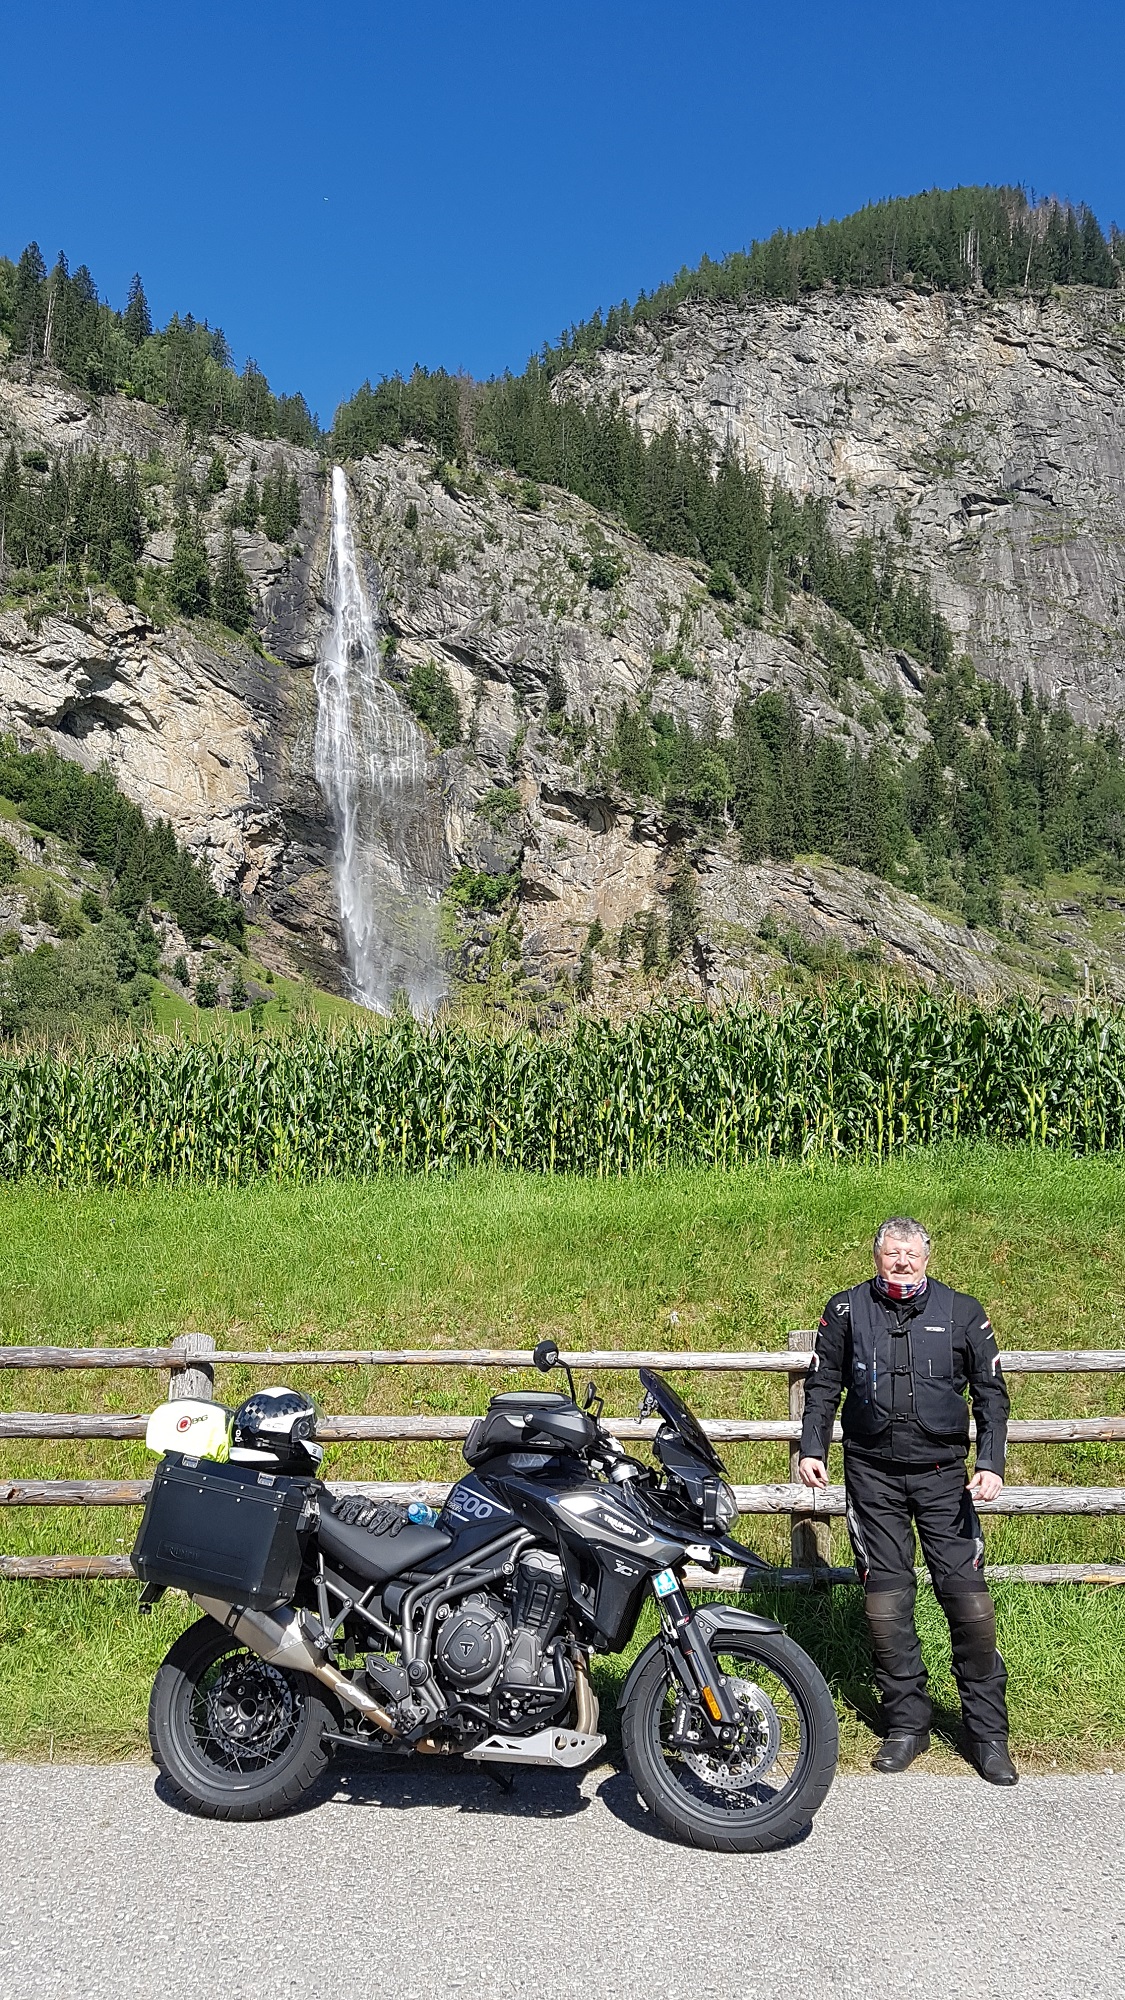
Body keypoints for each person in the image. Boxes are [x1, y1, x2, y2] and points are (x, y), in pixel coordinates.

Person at [797, 1216, 1017, 1786]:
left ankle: (988, 1733)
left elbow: (993, 1396)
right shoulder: (844, 1310)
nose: (902, 1263)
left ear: (927, 1257)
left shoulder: (963, 1311)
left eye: (911, 1254)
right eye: (892, 1254)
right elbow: (823, 1386)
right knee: (886, 1607)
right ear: (877, 1257)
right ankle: (908, 1724)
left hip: (947, 1479)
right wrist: (812, 1448)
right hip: (872, 1476)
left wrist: (990, 1462)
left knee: (969, 1604)